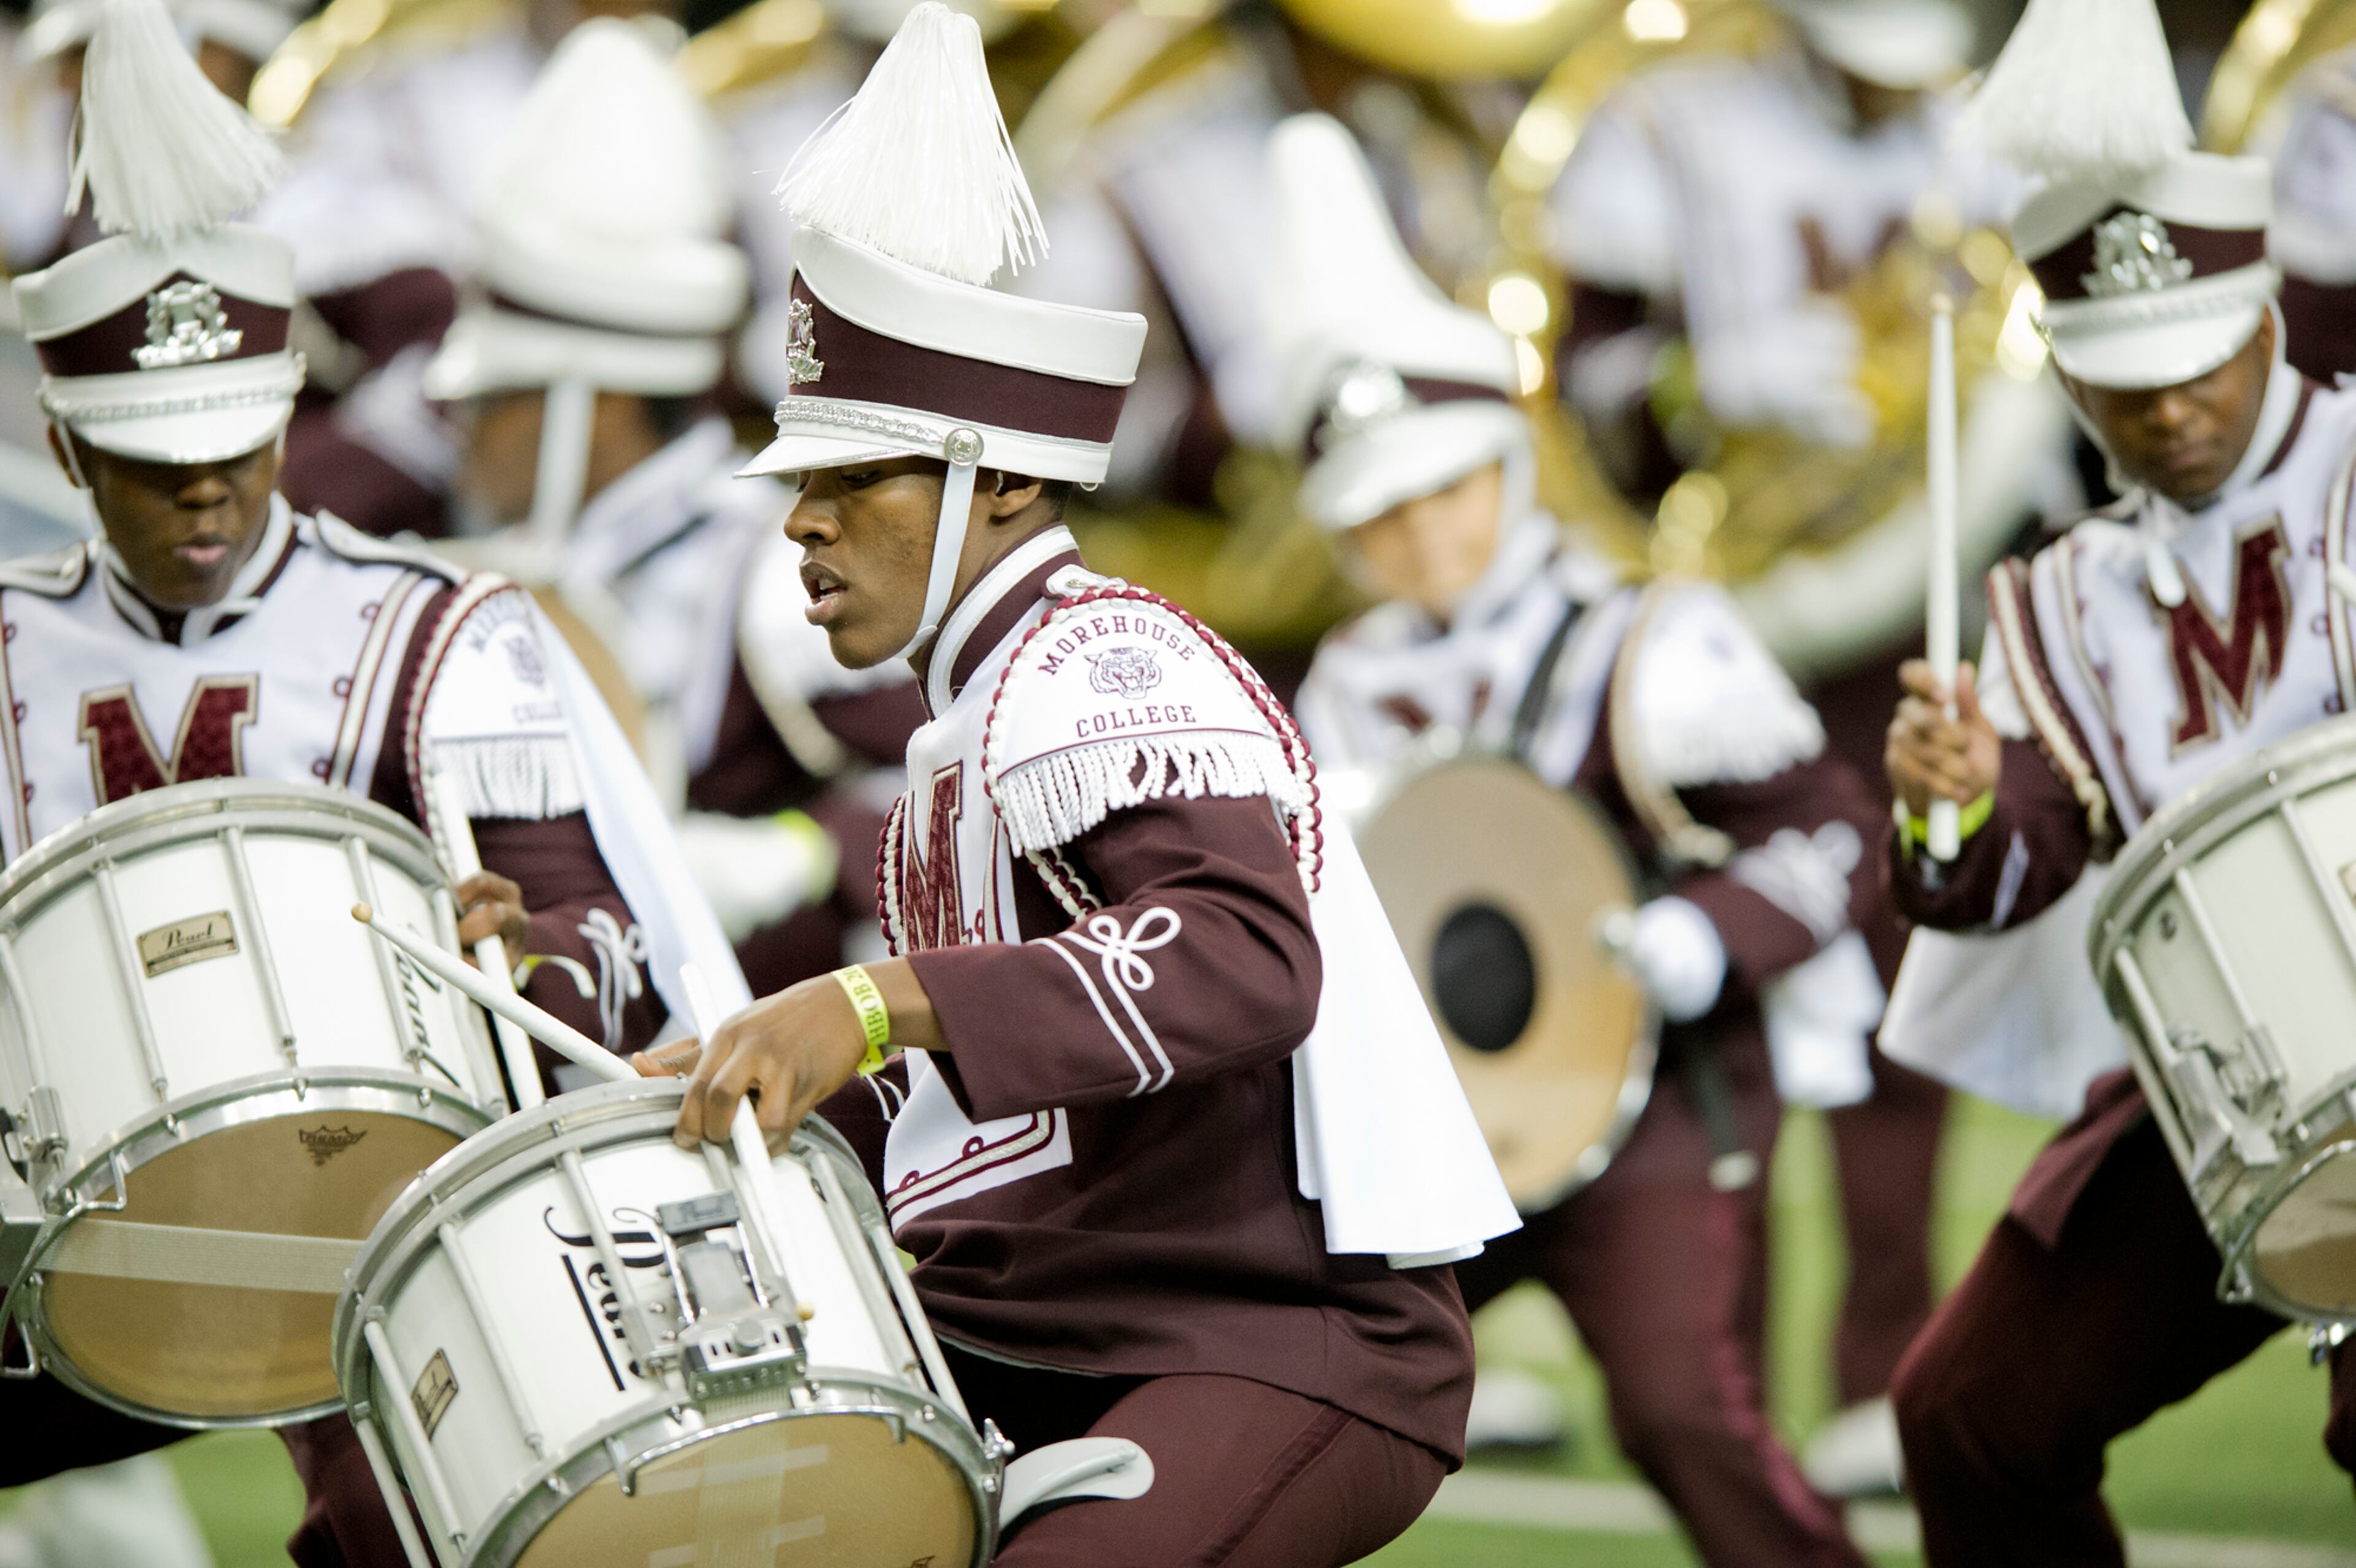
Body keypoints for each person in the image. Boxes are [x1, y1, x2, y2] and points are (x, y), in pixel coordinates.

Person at [642, 9, 1520, 1563]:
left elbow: (1251, 961)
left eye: (857, 482)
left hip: (1264, 1336)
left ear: (1010, 483)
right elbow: (1007, 1123)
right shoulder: (961, 733)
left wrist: (870, 1003)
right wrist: (763, 1075)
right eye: (800, 487)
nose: (803, 528)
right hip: (1054, 1327)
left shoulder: (1101, 663)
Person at [0, 4, 742, 1563]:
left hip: (376, 1214)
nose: (205, 491)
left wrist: (520, 971)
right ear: (66, 454)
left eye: (237, 444)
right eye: (151, 458)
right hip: (63, 1220)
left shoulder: (439, 631)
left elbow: (603, 964)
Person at [1277, 112, 1881, 1568]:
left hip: (1653, 1117)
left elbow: (1835, 835)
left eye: (1442, 490)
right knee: (1286, 1397)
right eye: (1381, 516)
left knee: (1685, 1416)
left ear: (1507, 465)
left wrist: (1703, 938)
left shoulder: (1649, 639)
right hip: (1432, 1131)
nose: (1421, 535)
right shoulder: (1336, 685)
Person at [1544, 0, 2061, 1490]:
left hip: (1903, 600)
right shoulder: (1661, 120)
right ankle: (1727, 1384)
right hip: (1721, 629)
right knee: (1742, 1012)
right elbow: (1583, 386)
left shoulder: (1961, 130)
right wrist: (1707, 390)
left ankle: (1878, 1378)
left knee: (1910, 1002)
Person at [1882, 1, 2356, 1560]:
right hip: (2228, 1083)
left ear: (2269, 312)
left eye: (2201, 362)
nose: (2172, 409)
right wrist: (1953, 795)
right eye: (2124, 382)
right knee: (1972, 1415)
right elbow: (2016, 852)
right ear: (2070, 387)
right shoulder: (2062, 590)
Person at [423, 17, 922, 998]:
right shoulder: (523, 558)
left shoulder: (776, 578)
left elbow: (953, 799)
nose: (457, 422)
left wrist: (795, 853)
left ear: (594, 404)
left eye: (494, 398)